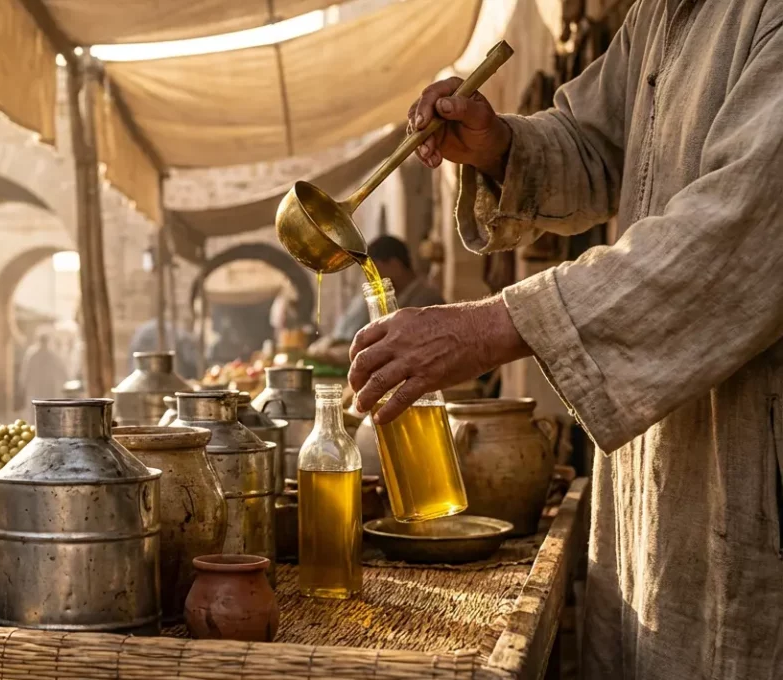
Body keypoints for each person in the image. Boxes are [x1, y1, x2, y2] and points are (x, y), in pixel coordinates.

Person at [349, 4, 783, 677]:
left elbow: (739, 235)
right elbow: (595, 144)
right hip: (658, 463)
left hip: (753, 455)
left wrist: (494, 325)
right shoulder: (659, 16)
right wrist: (499, 147)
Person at [315, 236, 444, 353]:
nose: (371, 279)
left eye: (375, 270)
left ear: (394, 265)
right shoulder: (390, 298)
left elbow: (401, 348)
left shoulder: (426, 300)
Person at [127, 317, 200, 380]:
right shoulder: (181, 336)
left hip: (142, 378)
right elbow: (193, 362)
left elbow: (133, 365)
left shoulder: (141, 332)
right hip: (170, 379)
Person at [18, 330, 68, 419]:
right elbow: (26, 371)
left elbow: (60, 369)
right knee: (35, 410)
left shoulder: (50, 354)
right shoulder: (33, 354)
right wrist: (23, 385)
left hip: (47, 388)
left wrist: (65, 381)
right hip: (35, 388)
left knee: (47, 409)